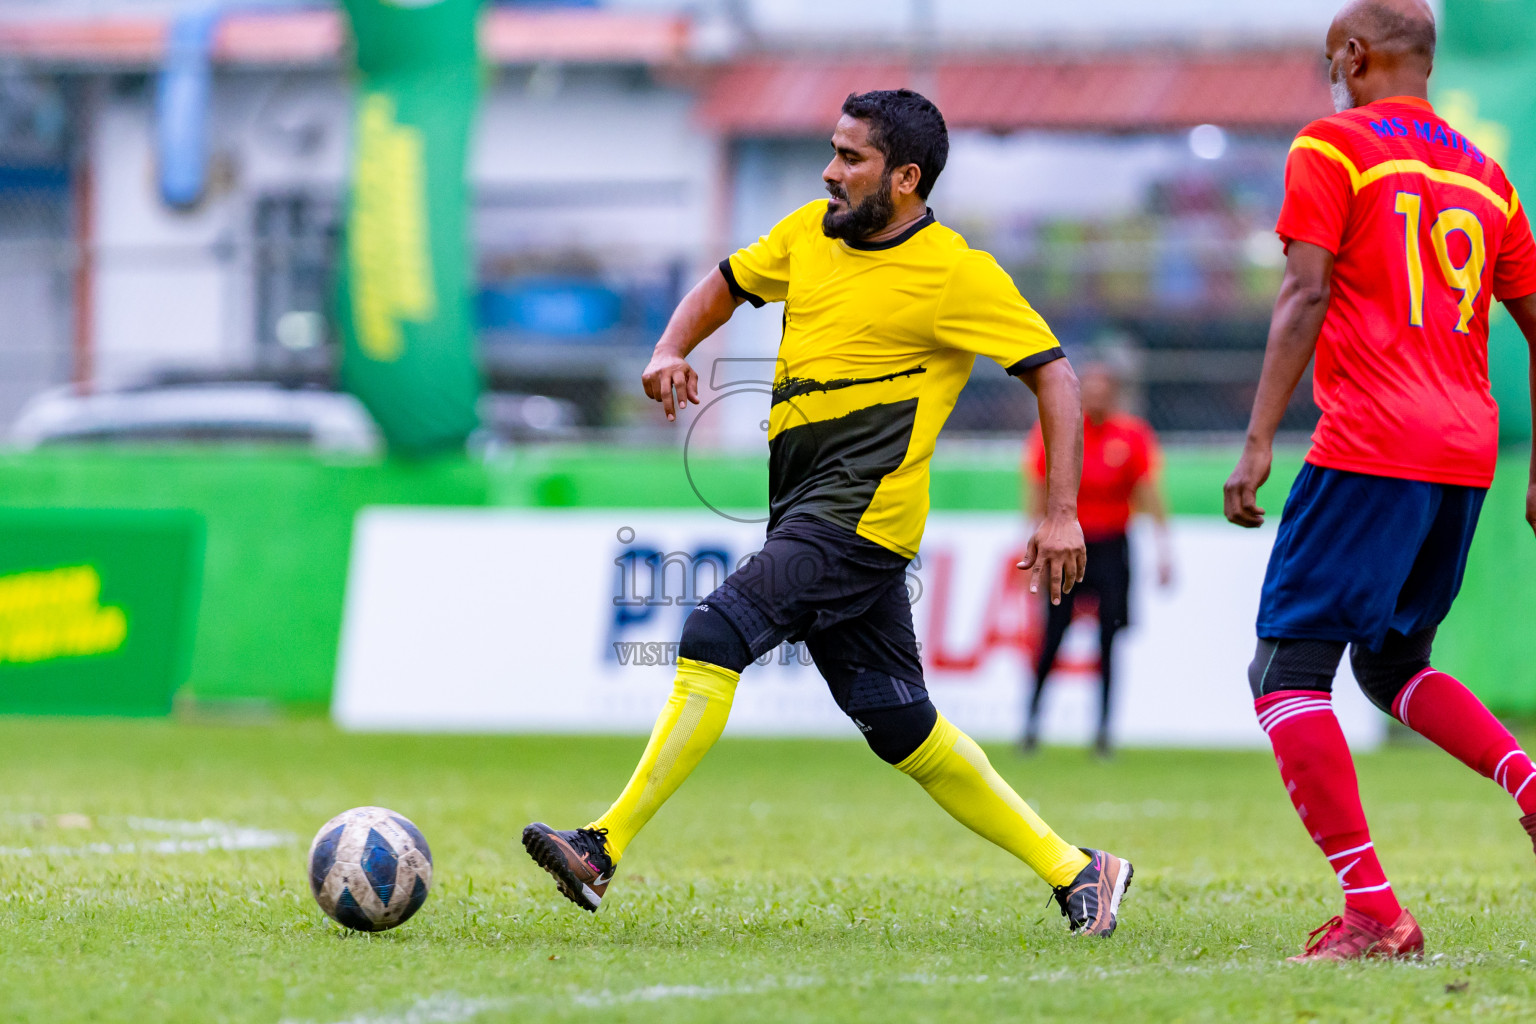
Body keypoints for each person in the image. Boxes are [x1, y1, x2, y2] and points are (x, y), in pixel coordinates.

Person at [522, 89, 1134, 935]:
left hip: (857, 522)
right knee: (902, 727)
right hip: (809, 516)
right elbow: (727, 283)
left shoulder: (958, 272)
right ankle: (1080, 870)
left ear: (907, 178)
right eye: (832, 150)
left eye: (852, 158)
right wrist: (668, 348)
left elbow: (1054, 373)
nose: (829, 170)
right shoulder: (809, 233)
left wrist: (1061, 511)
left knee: (712, 632)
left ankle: (601, 845)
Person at [1224, 0, 1536, 962]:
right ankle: (1531, 784)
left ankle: (1372, 911)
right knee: (1392, 665)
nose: (1330, 73)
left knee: (1286, 674)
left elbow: (1306, 289)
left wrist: (1259, 438)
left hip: (1370, 443)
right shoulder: (1487, 175)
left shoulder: (1334, 146)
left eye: (1332, 58)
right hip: (1463, 455)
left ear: (1356, 55)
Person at [1022, 361, 1172, 756]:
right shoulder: (1057, 431)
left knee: (1110, 638)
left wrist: (1163, 547)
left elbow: (1148, 491)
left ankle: (1103, 731)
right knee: (1053, 636)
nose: (1097, 396)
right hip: (1062, 547)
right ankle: (1031, 723)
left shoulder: (1133, 436)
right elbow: (1037, 487)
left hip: (1111, 548)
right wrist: (1031, 544)